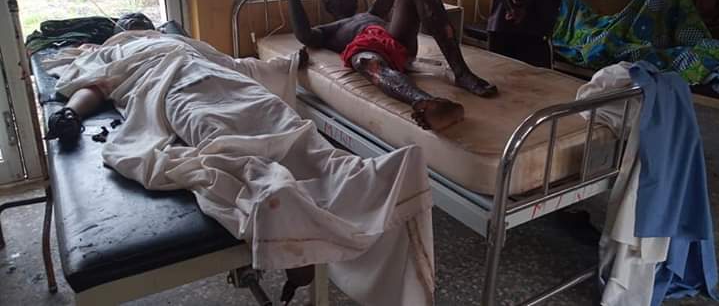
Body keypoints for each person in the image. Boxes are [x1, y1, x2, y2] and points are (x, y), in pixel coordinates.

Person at [44, 30, 434, 306]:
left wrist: (285, 64)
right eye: (130, 26)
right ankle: (275, 197)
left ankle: (357, 175)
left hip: (231, 84)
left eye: (137, 24)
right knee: (224, 138)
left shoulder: (181, 41)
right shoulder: (119, 50)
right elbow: (94, 86)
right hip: (178, 91)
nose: (134, 27)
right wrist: (70, 113)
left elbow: (234, 65)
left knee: (291, 128)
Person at [283, 0, 497, 131]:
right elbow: (303, 34)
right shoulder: (331, 30)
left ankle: (461, 72)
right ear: (329, 4)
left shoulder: (373, 12)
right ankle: (427, 103)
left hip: (397, 41)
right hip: (372, 54)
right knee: (362, 59)